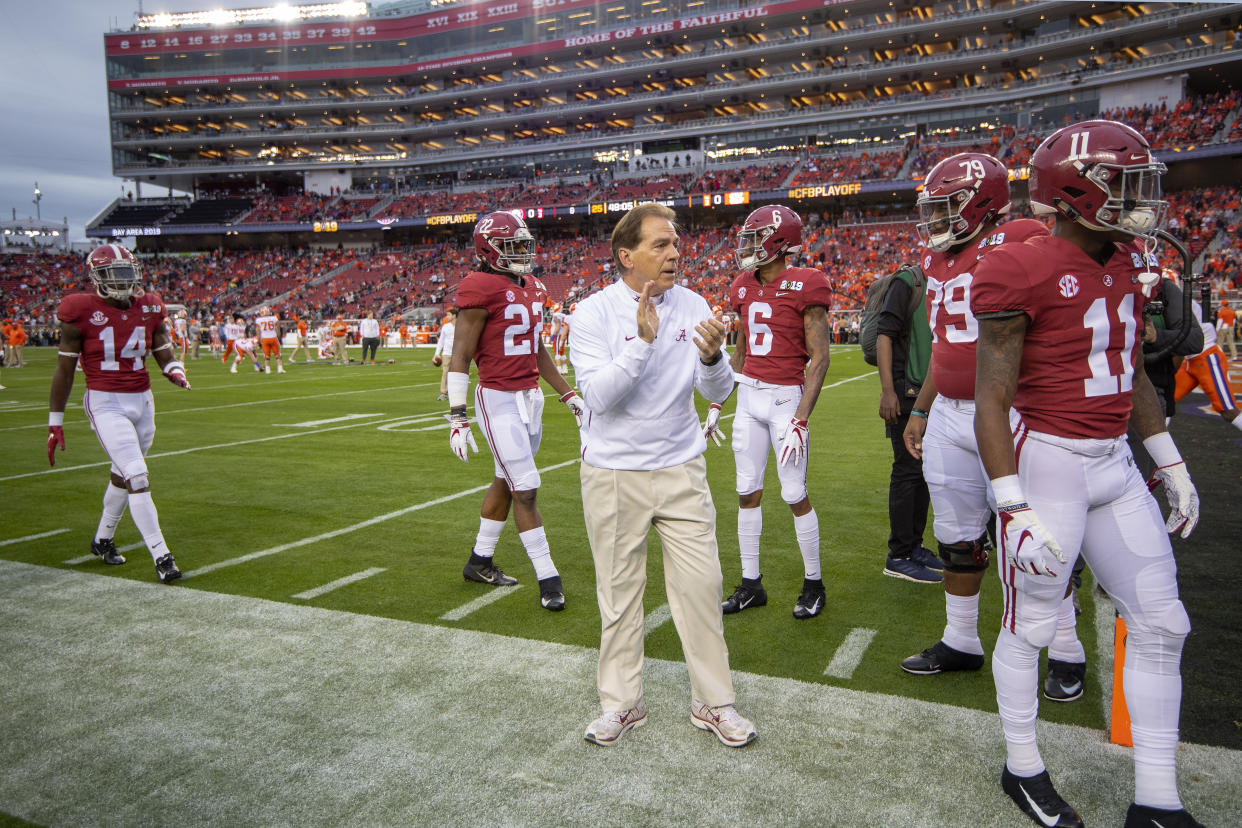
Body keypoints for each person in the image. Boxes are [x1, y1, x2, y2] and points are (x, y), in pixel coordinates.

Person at [972, 120, 1202, 828]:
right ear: (1076, 192)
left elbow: (1129, 368)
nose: (1142, 199)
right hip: (1049, 461)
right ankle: (1022, 767)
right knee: (1032, 624)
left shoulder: (1127, 260)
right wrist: (1012, 507)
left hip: (1114, 463)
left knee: (1163, 623)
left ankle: (1157, 800)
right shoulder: (1021, 264)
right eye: (1124, 183)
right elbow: (992, 396)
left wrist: (1168, 459)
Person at [899, 152, 1087, 697]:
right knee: (957, 537)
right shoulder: (937, 262)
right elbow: (946, 348)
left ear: (979, 204)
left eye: (945, 209)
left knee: (1038, 533)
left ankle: (1066, 646)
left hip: (1010, 411)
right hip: (950, 413)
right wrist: (921, 407)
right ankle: (961, 640)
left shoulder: (1026, 238)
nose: (934, 222)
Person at [571, 202, 756, 749]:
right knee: (619, 596)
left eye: (675, 242)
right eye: (660, 244)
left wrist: (714, 359)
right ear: (626, 256)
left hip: (680, 467)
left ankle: (713, 703)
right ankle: (622, 705)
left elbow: (717, 392)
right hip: (613, 472)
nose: (675, 252)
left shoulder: (694, 303)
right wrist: (642, 341)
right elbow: (597, 399)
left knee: (703, 587)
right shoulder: (593, 313)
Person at [446, 211, 585, 612]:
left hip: (531, 398)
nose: (522, 252)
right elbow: (461, 355)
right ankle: (549, 578)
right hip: (499, 399)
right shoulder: (477, 286)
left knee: (506, 480)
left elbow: (536, 349)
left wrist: (567, 393)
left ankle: (479, 561)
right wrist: (457, 416)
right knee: (525, 487)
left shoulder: (534, 286)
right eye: (513, 246)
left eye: (524, 245)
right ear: (489, 250)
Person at [710, 204, 832, 619]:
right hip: (748, 399)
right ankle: (750, 584)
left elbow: (820, 358)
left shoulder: (807, 282)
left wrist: (801, 417)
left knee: (794, 492)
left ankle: (814, 584)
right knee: (747, 491)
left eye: (755, 238)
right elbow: (741, 352)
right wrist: (716, 401)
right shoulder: (743, 285)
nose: (747, 247)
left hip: (784, 400)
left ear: (779, 243)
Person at [47, 243, 190, 584]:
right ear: (96, 276)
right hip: (105, 400)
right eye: (114, 274)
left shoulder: (150, 306)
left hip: (143, 401)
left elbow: (161, 346)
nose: (123, 281)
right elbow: (65, 371)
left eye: (127, 273)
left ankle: (102, 540)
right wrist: (55, 421)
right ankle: (162, 557)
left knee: (122, 474)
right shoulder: (79, 310)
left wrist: (173, 368)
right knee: (138, 476)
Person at [877, 248, 939, 583]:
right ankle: (899, 553)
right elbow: (885, 335)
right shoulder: (909, 281)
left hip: (929, 390)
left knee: (923, 470)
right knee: (907, 469)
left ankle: (913, 545)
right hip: (906, 392)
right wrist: (888, 391)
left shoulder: (943, 279)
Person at [1173, 293, 1242, 434]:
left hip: (1206, 358)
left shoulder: (1180, 303)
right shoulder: (1180, 301)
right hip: (1190, 360)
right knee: (1163, 403)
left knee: (1227, 410)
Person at [431, 308, 456, 400]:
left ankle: (454, 391)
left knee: (457, 374)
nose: (447, 316)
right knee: (445, 373)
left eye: (449, 315)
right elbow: (441, 341)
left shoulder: (461, 326)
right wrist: (437, 354)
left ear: (454, 315)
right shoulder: (445, 326)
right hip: (447, 353)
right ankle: (443, 393)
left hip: (458, 353)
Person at [255, 305, 286, 374]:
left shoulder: (258, 320)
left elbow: (258, 331)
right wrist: (278, 335)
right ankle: (280, 369)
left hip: (265, 339)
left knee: (266, 355)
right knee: (277, 354)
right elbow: (277, 328)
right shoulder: (274, 318)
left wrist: (259, 340)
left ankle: (268, 370)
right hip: (273, 338)